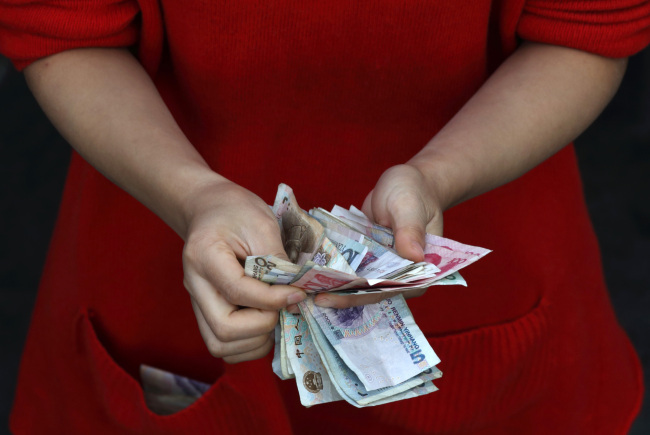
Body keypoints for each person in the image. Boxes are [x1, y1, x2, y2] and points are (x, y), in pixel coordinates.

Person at [1, 1, 649, 433]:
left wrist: (443, 172)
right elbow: (64, 29)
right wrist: (189, 193)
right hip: (165, 276)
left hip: (486, 282)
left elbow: (585, 27)